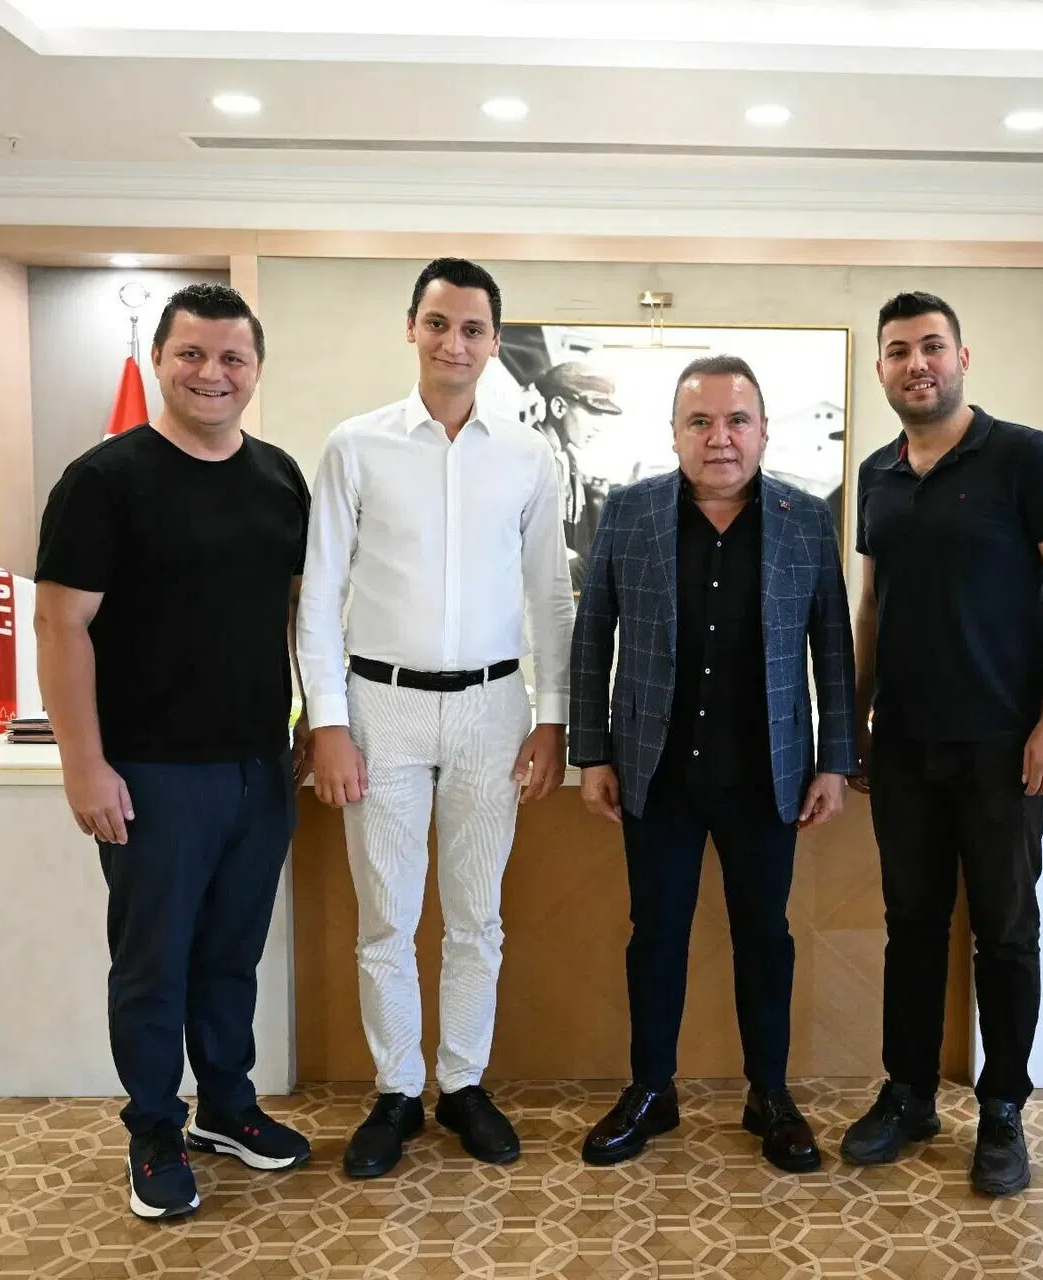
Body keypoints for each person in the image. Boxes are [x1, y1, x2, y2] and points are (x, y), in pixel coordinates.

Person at [34, 283, 313, 1221]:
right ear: (160, 359)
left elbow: (293, 615)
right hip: (151, 773)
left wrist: (308, 718)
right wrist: (84, 763)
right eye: (192, 353)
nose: (212, 373)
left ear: (256, 369)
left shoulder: (279, 478)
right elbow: (60, 624)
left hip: (259, 768)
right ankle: (155, 1128)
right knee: (154, 963)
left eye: (233, 357)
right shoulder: (104, 480)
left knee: (232, 955)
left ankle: (226, 1107)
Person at [297, 258, 574, 1178]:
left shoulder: (528, 456)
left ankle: (461, 1083)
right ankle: (395, 1091)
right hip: (381, 707)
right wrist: (328, 722)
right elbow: (319, 595)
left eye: (473, 329)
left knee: (475, 917)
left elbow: (550, 597)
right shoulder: (356, 445)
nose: (455, 343)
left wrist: (552, 718)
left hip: (494, 708)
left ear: (495, 342)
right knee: (387, 916)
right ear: (411, 328)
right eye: (439, 324)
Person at [570, 355, 856, 1174]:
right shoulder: (630, 513)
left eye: (737, 421)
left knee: (765, 936)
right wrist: (591, 752)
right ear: (675, 433)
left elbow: (831, 647)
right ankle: (650, 1091)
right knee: (654, 935)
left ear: (763, 432)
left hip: (767, 775)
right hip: (655, 773)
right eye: (700, 421)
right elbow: (593, 637)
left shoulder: (805, 520)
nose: (719, 437)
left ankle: (770, 1095)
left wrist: (834, 761)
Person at [840, 291, 1043, 1196]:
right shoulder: (877, 473)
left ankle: (1003, 1111)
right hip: (905, 747)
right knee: (911, 926)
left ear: (962, 358)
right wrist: (853, 721)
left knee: (1006, 933)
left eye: (932, 347)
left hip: (1003, 747)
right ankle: (909, 1094)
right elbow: (873, 607)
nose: (917, 364)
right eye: (898, 350)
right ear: (882, 368)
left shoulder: (1025, 456)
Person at [531, 361, 623, 587]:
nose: (599, 426)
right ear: (559, 408)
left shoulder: (567, 460)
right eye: (592, 412)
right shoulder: (527, 457)